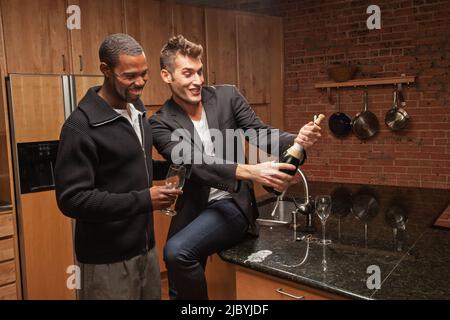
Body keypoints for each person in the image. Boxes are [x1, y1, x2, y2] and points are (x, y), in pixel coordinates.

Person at [149, 35, 322, 300]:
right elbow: (192, 161)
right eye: (187, 73)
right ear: (166, 75)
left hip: (231, 203)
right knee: (175, 275)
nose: (197, 81)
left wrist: (296, 139)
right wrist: (250, 171)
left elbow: (260, 133)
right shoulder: (160, 123)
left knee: (177, 251)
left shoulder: (226, 96)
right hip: (192, 208)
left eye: (199, 72)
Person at [54, 33, 181, 300]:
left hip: (145, 250)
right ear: (105, 70)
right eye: (130, 75)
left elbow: (133, 164)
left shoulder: (136, 110)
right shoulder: (80, 127)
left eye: (144, 74)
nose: (140, 83)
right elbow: (72, 200)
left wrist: (172, 167)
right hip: (106, 260)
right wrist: (144, 199)